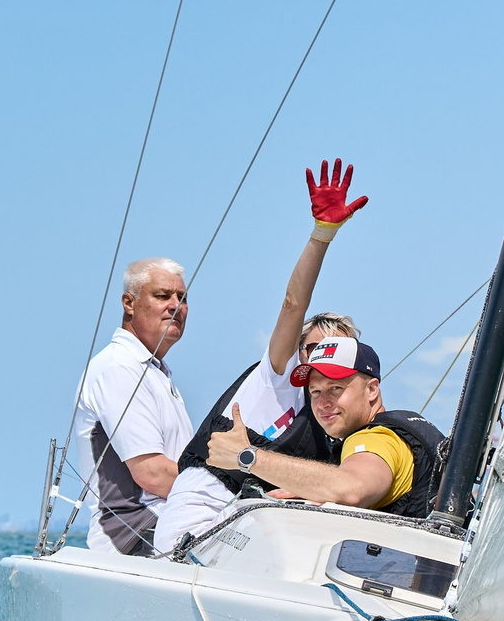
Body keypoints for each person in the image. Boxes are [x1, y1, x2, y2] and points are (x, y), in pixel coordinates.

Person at [154, 158, 370, 552]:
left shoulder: (339, 425)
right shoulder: (280, 377)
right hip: (201, 512)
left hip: (259, 523)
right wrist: (322, 235)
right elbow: (292, 305)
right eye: (313, 352)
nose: (318, 369)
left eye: (335, 368)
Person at [206, 336, 446, 518]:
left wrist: (248, 457)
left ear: (372, 390)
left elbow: (352, 488)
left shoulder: (376, 439)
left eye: (336, 389)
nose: (323, 403)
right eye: (315, 392)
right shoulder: (403, 429)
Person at [70, 256, 194, 554]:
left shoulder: (153, 371)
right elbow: (152, 474)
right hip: (136, 540)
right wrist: (232, 493)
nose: (176, 305)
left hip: (169, 530)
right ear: (129, 303)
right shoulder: (119, 368)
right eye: (163, 296)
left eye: (182, 298)